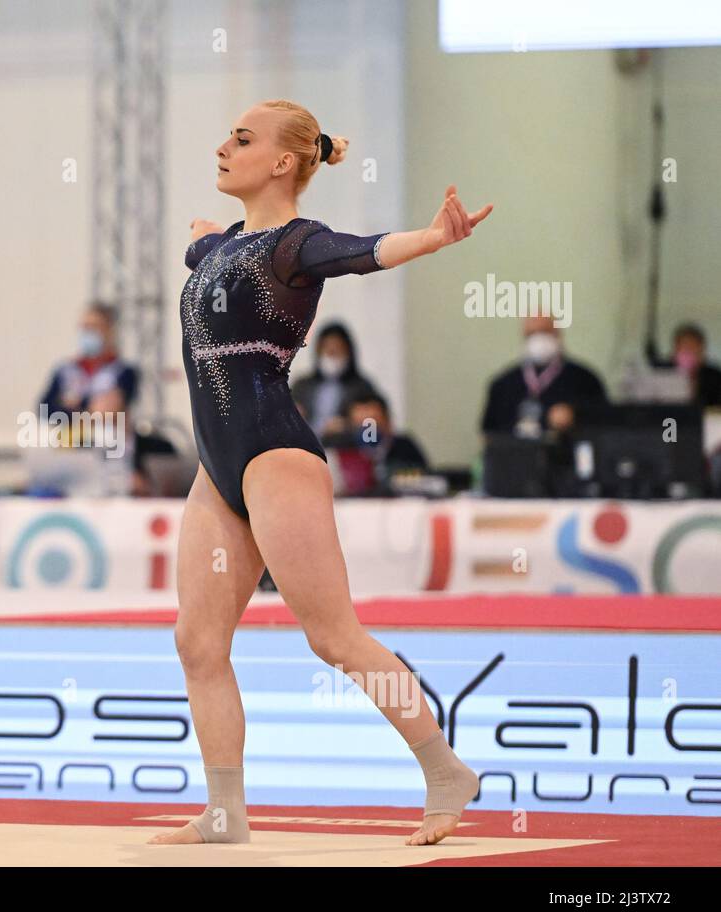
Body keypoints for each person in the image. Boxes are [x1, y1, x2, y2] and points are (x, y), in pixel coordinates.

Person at [153, 99, 492, 849]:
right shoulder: (224, 246)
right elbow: (207, 259)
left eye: (240, 138)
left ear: (282, 161)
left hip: (276, 455)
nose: (221, 146)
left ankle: (444, 770)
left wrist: (433, 239)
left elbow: (361, 250)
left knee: (332, 636)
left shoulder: (297, 244)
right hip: (218, 467)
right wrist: (210, 241)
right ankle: (224, 810)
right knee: (197, 642)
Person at [479, 313, 609, 438]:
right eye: (531, 334)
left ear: (558, 335)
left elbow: (606, 424)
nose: (538, 339)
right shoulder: (502, 384)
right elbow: (488, 434)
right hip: (513, 457)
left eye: (544, 331)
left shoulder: (585, 380)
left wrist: (575, 416)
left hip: (564, 458)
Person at [291, 322, 381, 439]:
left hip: (345, 450)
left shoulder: (362, 388)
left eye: (337, 349)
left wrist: (348, 426)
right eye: (328, 350)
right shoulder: (301, 386)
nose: (332, 355)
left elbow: (372, 433)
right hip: (305, 449)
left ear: (349, 352)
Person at [646, 321, 721, 408]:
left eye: (692, 348)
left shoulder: (715, 377)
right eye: (684, 347)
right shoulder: (662, 373)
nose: (688, 352)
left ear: (702, 351)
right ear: (675, 350)